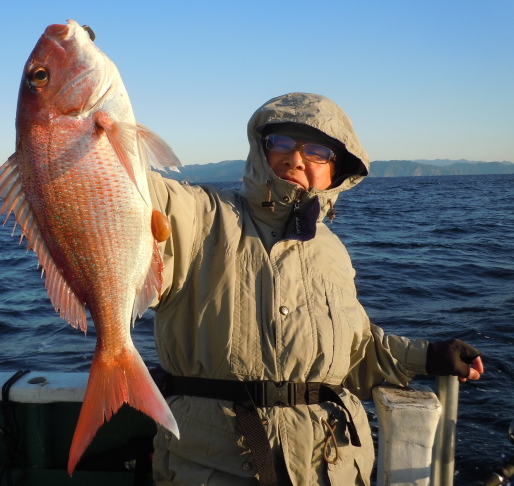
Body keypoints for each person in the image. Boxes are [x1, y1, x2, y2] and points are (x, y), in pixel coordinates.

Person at [146, 92, 484, 486]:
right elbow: (134, 188)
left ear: (336, 170)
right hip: (217, 466)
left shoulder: (332, 250)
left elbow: (355, 354)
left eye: (317, 151)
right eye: (281, 143)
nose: (296, 159)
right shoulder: (200, 215)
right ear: (261, 150)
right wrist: (91, 118)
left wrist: (427, 356)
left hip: (331, 465)